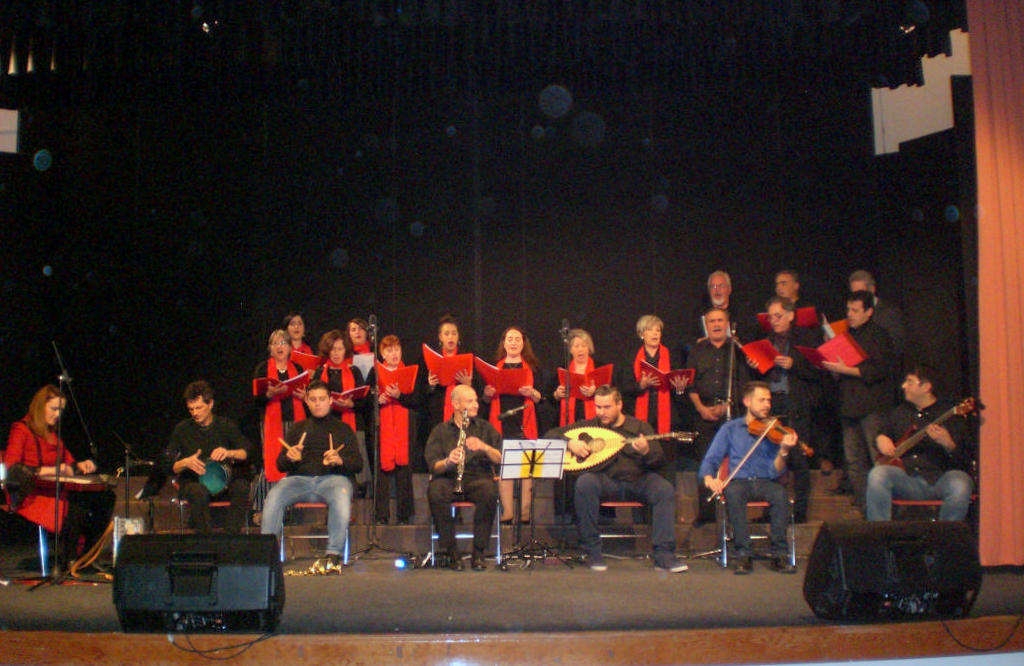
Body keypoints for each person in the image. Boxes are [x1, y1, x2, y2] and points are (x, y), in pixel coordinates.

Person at [546, 385, 688, 572]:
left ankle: (664, 555)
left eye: (607, 407)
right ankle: (593, 552)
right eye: (598, 407)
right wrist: (570, 442)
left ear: (619, 405)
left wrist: (646, 451)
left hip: (638, 480)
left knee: (664, 489)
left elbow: (658, 461)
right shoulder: (590, 426)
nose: (601, 412)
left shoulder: (639, 427)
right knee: (585, 482)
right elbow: (550, 435)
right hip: (606, 481)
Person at [3, 385, 114, 568]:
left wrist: (82, 466)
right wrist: (52, 470)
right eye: (54, 409)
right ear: (40, 407)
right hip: (31, 493)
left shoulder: (53, 435)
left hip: (54, 490)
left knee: (105, 497)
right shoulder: (21, 429)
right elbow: (12, 468)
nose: (57, 415)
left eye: (61, 410)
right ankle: (69, 558)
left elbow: (68, 464)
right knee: (76, 502)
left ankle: (87, 555)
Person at [261, 380, 363, 569]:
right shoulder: (297, 429)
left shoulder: (343, 429)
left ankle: (333, 553)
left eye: (322, 399)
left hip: (333, 480)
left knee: (341, 494)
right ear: (306, 401)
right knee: (274, 495)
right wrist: (290, 457)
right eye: (313, 399)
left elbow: (358, 464)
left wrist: (340, 461)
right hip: (299, 480)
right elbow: (280, 465)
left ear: (330, 400)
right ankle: (266, 553)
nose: (317, 403)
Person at [699, 381, 799, 574]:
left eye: (768, 400)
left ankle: (779, 555)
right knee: (734, 494)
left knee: (780, 495)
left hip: (766, 480)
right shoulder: (730, 429)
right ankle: (743, 554)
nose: (767, 405)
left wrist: (784, 451)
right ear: (747, 401)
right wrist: (710, 479)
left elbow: (775, 471)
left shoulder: (773, 430)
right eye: (761, 400)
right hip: (740, 481)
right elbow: (711, 459)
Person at [866, 366, 973, 521]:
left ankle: (947, 533)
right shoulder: (900, 412)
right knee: (878, 474)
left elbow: (966, 459)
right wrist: (880, 439)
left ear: (926, 387)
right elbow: (882, 434)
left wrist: (949, 444)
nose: (904, 386)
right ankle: (879, 531)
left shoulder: (951, 416)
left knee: (961, 482)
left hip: (940, 479)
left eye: (909, 382)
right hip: (907, 479)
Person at [745, 297, 818, 523]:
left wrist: (794, 365)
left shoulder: (805, 338)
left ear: (791, 315)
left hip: (795, 402)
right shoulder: (766, 341)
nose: (774, 321)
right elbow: (759, 375)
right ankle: (771, 511)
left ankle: (800, 512)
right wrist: (755, 366)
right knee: (770, 457)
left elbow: (818, 370)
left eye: (778, 316)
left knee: (798, 457)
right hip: (771, 402)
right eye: (771, 317)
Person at [821, 290, 895, 515]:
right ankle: (864, 508)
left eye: (855, 310)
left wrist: (846, 369)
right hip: (848, 404)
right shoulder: (846, 335)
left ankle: (882, 512)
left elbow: (878, 370)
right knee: (853, 460)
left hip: (871, 405)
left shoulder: (878, 335)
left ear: (869, 312)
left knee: (877, 457)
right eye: (848, 310)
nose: (850, 314)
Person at [425, 384, 503, 571]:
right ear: (456, 404)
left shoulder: (485, 428)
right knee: (435, 492)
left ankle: (479, 552)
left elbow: (501, 458)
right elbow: (433, 465)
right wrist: (448, 461)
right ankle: (451, 552)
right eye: (470, 401)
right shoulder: (440, 431)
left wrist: (484, 447)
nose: (476, 404)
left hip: (477, 477)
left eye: (476, 400)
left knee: (489, 491)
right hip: (448, 478)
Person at [685, 307, 749, 526]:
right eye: (712, 321)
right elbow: (690, 384)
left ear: (727, 324)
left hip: (731, 414)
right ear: (706, 325)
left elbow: (743, 384)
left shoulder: (736, 350)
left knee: (732, 463)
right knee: (705, 462)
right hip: (703, 414)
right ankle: (707, 514)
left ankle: (733, 513)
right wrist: (701, 408)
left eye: (720, 320)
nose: (716, 324)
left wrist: (726, 406)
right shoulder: (697, 351)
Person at [166, 381, 253, 535]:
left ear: (210, 404)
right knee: (197, 491)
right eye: (191, 409)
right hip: (194, 482)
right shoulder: (182, 429)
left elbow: (246, 452)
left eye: (199, 408)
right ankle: (205, 540)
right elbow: (169, 465)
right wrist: (185, 462)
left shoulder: (225, 425)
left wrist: (229, 452)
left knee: (242, 487)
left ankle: (231, 538)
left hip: (224, 481)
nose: (195, 413)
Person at [480, 325, 544, 523]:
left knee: (527, 468)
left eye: (517, 339)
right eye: (510, 339)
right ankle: (507, 512)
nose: (514, 342)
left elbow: (542, 399)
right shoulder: (495, 367)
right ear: (504, 343)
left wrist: (532, 393)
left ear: (524, 343)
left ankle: (524, 512)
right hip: (502, 421)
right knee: (504, 467)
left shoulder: (533, 368)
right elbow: (485, 400)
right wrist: (487, 394)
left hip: (524, 421)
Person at [621, 315, 689, 476]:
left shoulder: (671, 355)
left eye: (658, 330)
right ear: (641, 334)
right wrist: (642, 385)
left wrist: (679, 388)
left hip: (667, 416)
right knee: (640, 462)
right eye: (650, 330)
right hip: (640, 416)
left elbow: (679, 386)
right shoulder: (632, 356)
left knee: (667, 462)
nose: (655, 333)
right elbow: (625, 387)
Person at [251, 329, 308, 516]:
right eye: (275, 343)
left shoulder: (298, 368)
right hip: (271, 424)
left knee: (293, 460)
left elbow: (307, 397)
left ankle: (291, 508)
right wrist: (269, 394)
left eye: (283, 342)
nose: (279, 346)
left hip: (295, 422)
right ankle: (264, 508)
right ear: (270, 348)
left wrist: (304, 396)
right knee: (273, 461)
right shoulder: (262, 368)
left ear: (290, 347)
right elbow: (256, 400)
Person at [313, 329, 372, 492]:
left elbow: (364, 401)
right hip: (327, 424)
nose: (336, 353)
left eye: (340, 349)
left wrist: (351, 404)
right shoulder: (320, 372)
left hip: (351, 423)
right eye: (333, 349)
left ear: (345, 350)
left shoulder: (354, 371)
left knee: (352, 468)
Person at [374, 334, 421, 525]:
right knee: (382, 469)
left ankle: (404, 515)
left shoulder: (409, 372)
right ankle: (381, 515)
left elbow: (417, 400)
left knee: (404, 469)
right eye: (389, 350)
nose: (394, 353)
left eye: (397, 349)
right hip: (383, 423)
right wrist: (378, 399)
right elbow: (367, 399)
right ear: (382, 353)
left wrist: (399, 395)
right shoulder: (376, 372)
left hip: (405, 423)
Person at [417, 314, 474, 472]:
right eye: (446, 333)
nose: (450, 337)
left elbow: (477, 391)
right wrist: (430, 385)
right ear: (440, 337)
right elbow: (419, 393)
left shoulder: (467, 357)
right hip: (436, 414)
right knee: (439, 453)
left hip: (461, 414)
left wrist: (468, 384)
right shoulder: (430, 358)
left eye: (454, 333)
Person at [848, 270, 905, 357]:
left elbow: (898, 346)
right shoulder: (852, 310)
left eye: (861, 292)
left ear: (872, 289)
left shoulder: (890, 312)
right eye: (854, 293)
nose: (857, 297)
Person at [691, 270, 757, 344]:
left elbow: (750, 339)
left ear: (729, 289)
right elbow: (691, 339)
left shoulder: (742, 313)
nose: (717, 290)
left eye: (721, 286)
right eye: (713, 286)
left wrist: (737, 341)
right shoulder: (699, 313)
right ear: (709, 291)